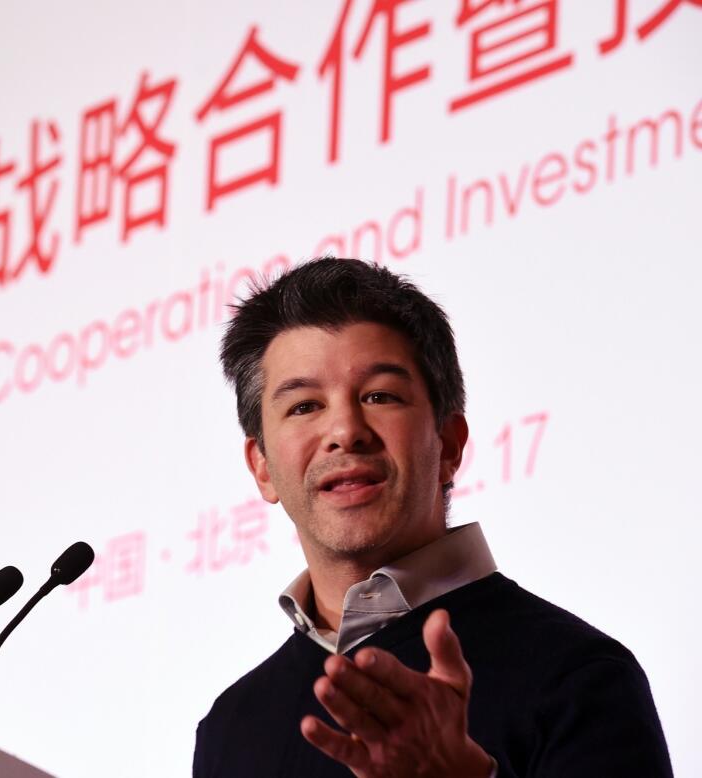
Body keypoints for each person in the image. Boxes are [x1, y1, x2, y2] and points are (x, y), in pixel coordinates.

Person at [192, 258, 672, 777]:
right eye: (305, 406)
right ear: (262, 467)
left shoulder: (580, 675)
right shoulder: (231, 726)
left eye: (380, 396)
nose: (345, 431)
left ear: (448, 443)